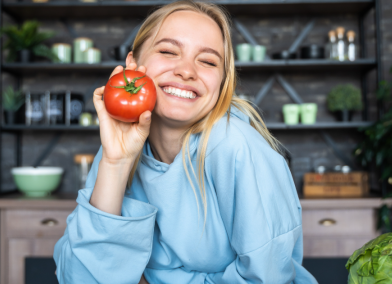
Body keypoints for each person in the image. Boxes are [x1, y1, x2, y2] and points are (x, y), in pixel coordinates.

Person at [53, 1, 318, 283]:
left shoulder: (238, 148)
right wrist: (115, 163)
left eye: (208, 61)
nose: (187, 70)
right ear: (132, 65)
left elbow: (268, 278)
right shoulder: (121, 144)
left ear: (222, 82)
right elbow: (79, 276)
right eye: (168, 51)